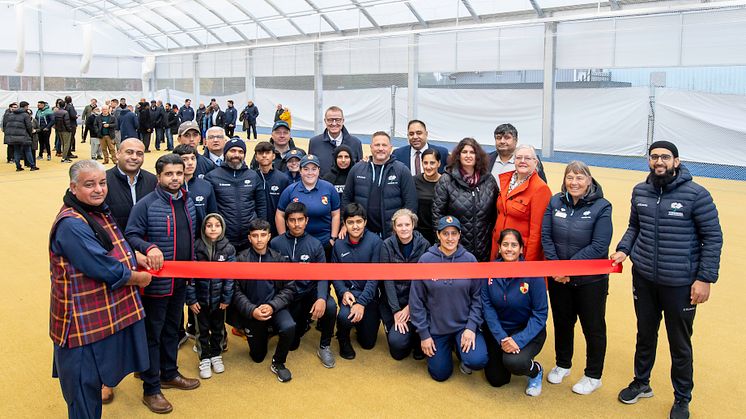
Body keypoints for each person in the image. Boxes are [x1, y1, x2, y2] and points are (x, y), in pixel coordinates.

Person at [611, 141, 723, 419]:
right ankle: (641, 383)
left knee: (679, 343)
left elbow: (713, 238)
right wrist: (624, 249)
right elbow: (634, 226)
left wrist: (705, 278)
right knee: (645, 334)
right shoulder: (640, 191)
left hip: (680, 284)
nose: (659, 161)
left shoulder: (697, 195)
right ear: (649, 161)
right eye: (654, 157)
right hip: (645, 278)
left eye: (664, 157)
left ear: (676, 160)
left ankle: (682, 398)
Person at [49, 160, 152, 419]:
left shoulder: (93, 210)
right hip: (79, 324)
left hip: (96, 317)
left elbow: (114, 245)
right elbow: (103, 268)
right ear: (73, 188)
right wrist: (138, 278)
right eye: (89, 184)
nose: (98, 189)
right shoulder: (71, 224)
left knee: (94, 382)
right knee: (83, 395)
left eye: (102, 182)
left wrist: (133, 255)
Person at [125, 154, 200, 414]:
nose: (175, 178)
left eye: (179, 173)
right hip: (156, 284)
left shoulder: (188, 203)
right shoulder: (146, 205)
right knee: (152, 335)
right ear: (159, 177)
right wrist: (150, 247)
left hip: (180, 282)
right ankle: (151, 388)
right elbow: (131, 235)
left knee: (172, 330)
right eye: (169, 174)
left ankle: (169, 373)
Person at [541, 161, 613, 395]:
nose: (574, 182)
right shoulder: (554, 201)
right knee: (562, 322)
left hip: (590, 281)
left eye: (580, 178)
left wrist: (568, 268)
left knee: (593, 327)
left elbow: (600, 246)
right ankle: (563, 364)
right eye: (570, 177)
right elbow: (546, 236)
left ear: (589, 180)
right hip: (558, 278)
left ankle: (593, 375)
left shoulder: (603, 206)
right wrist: (556, 266)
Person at [410, 216, 488, 382]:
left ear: (459, 235)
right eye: (445, 233)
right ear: (438, 235)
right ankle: (448, 349)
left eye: (454, 233)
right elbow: (416, 302)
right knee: (440, 374)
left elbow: (477, 298)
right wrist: (424, 335)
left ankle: (462, 351)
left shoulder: (470, 260)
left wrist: (471, 327)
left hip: (463, 326)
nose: (450, 238)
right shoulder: (426, 261)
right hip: (437, 329)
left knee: (477, 360)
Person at [269, 202, 338, 369]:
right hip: (287, 296)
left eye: (300, 219)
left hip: (308, 292)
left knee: (329, 306)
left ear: (306, 220)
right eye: (292, 220)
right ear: (286, 222)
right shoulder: (275, 243)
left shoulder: (315, 245)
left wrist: (321, 298)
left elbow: (322, 275)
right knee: (292, 344)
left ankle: (324, 346)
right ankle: (298, 324)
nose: (296, 224)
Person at [483, 229, 548, 396]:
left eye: (514, 245)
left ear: (521, 249)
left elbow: (540, 313)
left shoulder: (533, 274)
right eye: (505, 244)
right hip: (500, 332)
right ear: (499, 248)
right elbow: (488, 307)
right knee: (497, 380)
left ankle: (535, 371)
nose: (509, 249)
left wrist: (518, 340)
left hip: (526, 331)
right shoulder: (489, 270)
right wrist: (502, 338)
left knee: (515, 362)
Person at [230, 219, 297, 382]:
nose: (259, 239)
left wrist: (272, 306)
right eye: (255, 236)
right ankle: (264, 331)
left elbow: (289, 288)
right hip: (252, 311)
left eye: (263, 235)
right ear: (249, 238)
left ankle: (278, 362)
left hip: (275, 308)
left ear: (269, 236)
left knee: (289, 327)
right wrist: (252, 310)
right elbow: (235, 291)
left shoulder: (279, 259)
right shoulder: (241, 260)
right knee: (258, 356)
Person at [187, 213, 235, 379]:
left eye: (217, 225)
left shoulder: (228, 248)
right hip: (200, 301)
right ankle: (204, 357)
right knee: (202, 331)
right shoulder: (196, 247)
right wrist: (191, 300)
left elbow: (230, 277)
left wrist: (226, 298)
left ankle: (216, 354)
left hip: (219, 301)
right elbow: (190, 277)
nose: (213, 228)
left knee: (218, 329)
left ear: (222, 228)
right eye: (209, 225)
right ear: (204, 228)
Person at [342, 131, 417, 238]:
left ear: (390, 148)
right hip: (362, 234)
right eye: (377, 145)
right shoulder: (357, 169)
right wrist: (344, 223)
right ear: (371, 147)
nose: (380, 148)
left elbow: (410, 203)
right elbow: (346, 199)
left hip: (392, 235)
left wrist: (402, 229)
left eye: (384, 145)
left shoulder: (402, 170)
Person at [433, 138, 497, 261]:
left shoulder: (489, 180)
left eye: (472, 152)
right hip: (455, 249)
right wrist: (443, 245)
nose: (468, 155)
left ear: (478, 156)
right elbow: (437, 216)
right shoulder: (446, 180)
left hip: (484, 247)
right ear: (458, 155)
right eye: (464, 152)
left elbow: (495, 214)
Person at [331, 203, 382, 359]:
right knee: (344, 318)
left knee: (367, 344)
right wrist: (343, 292)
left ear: (365, 222)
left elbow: (374, 278)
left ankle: (360, 322)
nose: (355, 226)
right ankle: (343, 336)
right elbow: (335, 274)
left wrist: (362, 303)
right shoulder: (338, 244)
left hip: (369, 297)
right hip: (349, 295)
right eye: (351, 222)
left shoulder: (375, 242)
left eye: (359, 221)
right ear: (344, 224)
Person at [379, 209, 430, 360]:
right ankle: (405, 336)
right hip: (393, 302)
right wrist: (396, 311)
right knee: (398, 349)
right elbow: (387, 279)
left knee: (418, 348)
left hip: (416, 301)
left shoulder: (424, 245)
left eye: (407, 224)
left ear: (413, 224)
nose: (404, 228)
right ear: (394, 227)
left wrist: (410, 307)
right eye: (399, 225)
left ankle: (416, 338)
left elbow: (422, 281)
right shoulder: (386, 245)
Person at [490, 145, 551, 262]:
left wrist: (528, 264)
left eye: (527, 158)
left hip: (521, 255)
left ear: (535, 162)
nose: (522, 161)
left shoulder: (540, 189)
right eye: (519, 158)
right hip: (499, 249)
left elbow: (537, 232)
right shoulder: (506, 181)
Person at [204, 138, 266, 252]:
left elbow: (261, 205)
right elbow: (210, 209)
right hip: (223, 239)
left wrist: (260, 230)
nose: (236, 154)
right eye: (232, 151)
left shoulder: (253, 176)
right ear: (225, 153)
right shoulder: (212, 176)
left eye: (240, 151)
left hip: (249, 238)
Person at [276, 154, 341, 258]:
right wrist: (283, 238)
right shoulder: (290, 190)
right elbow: (280, 215)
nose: (310, 173)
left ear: (319, 170)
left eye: (314, 169)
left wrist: (333, 238)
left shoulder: (329, 188)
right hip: (298, 242)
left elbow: (336, 214)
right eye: (306, 169)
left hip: (324, 242)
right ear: (300, 171)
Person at [104, 138, 157, 230]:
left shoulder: (153, 181)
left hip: (145, 241)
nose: (134, 157)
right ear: (118, 154)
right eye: (129, 152)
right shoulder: (103, 181)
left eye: (139, 154)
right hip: (115, 240)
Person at [308, 106, 363, 176]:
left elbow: (359, 170)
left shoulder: (355, 143)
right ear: (325, 121)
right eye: (330, 120)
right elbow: (311, 167)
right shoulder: (315, 142)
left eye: (337, 120)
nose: (334, 123)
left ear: (343, 121)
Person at [173, 144, 217, 228]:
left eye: (193, 158)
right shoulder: (170, 186)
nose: (190, 163)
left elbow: (213, 215)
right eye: (184, 159)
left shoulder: (206, 185)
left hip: (201, 238)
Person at [254, 141, 290, 237]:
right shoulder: (251, 177)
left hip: (276, 228)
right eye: (261, 153)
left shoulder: (283, 179)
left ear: (273, 156)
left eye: (267, 153)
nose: (264, 156)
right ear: (256, 157)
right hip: (256, 228)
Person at [413, 148, 441, 244]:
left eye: (432, 163)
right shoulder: (414, 181)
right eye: (425, 163)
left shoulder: (445, 182)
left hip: (439, 233)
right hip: (418, 234)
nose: (428, 167)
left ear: (439, 163)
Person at [3, 101, 38, 171]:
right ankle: (32, 165)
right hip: (24, 135)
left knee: (16, 151)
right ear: (25, 107)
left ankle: (18, 166)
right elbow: (29, 126)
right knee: (28, 150)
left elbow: (6, 125)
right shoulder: (26, 115)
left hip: (13, 136)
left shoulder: (11, 114)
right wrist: (30, 134)